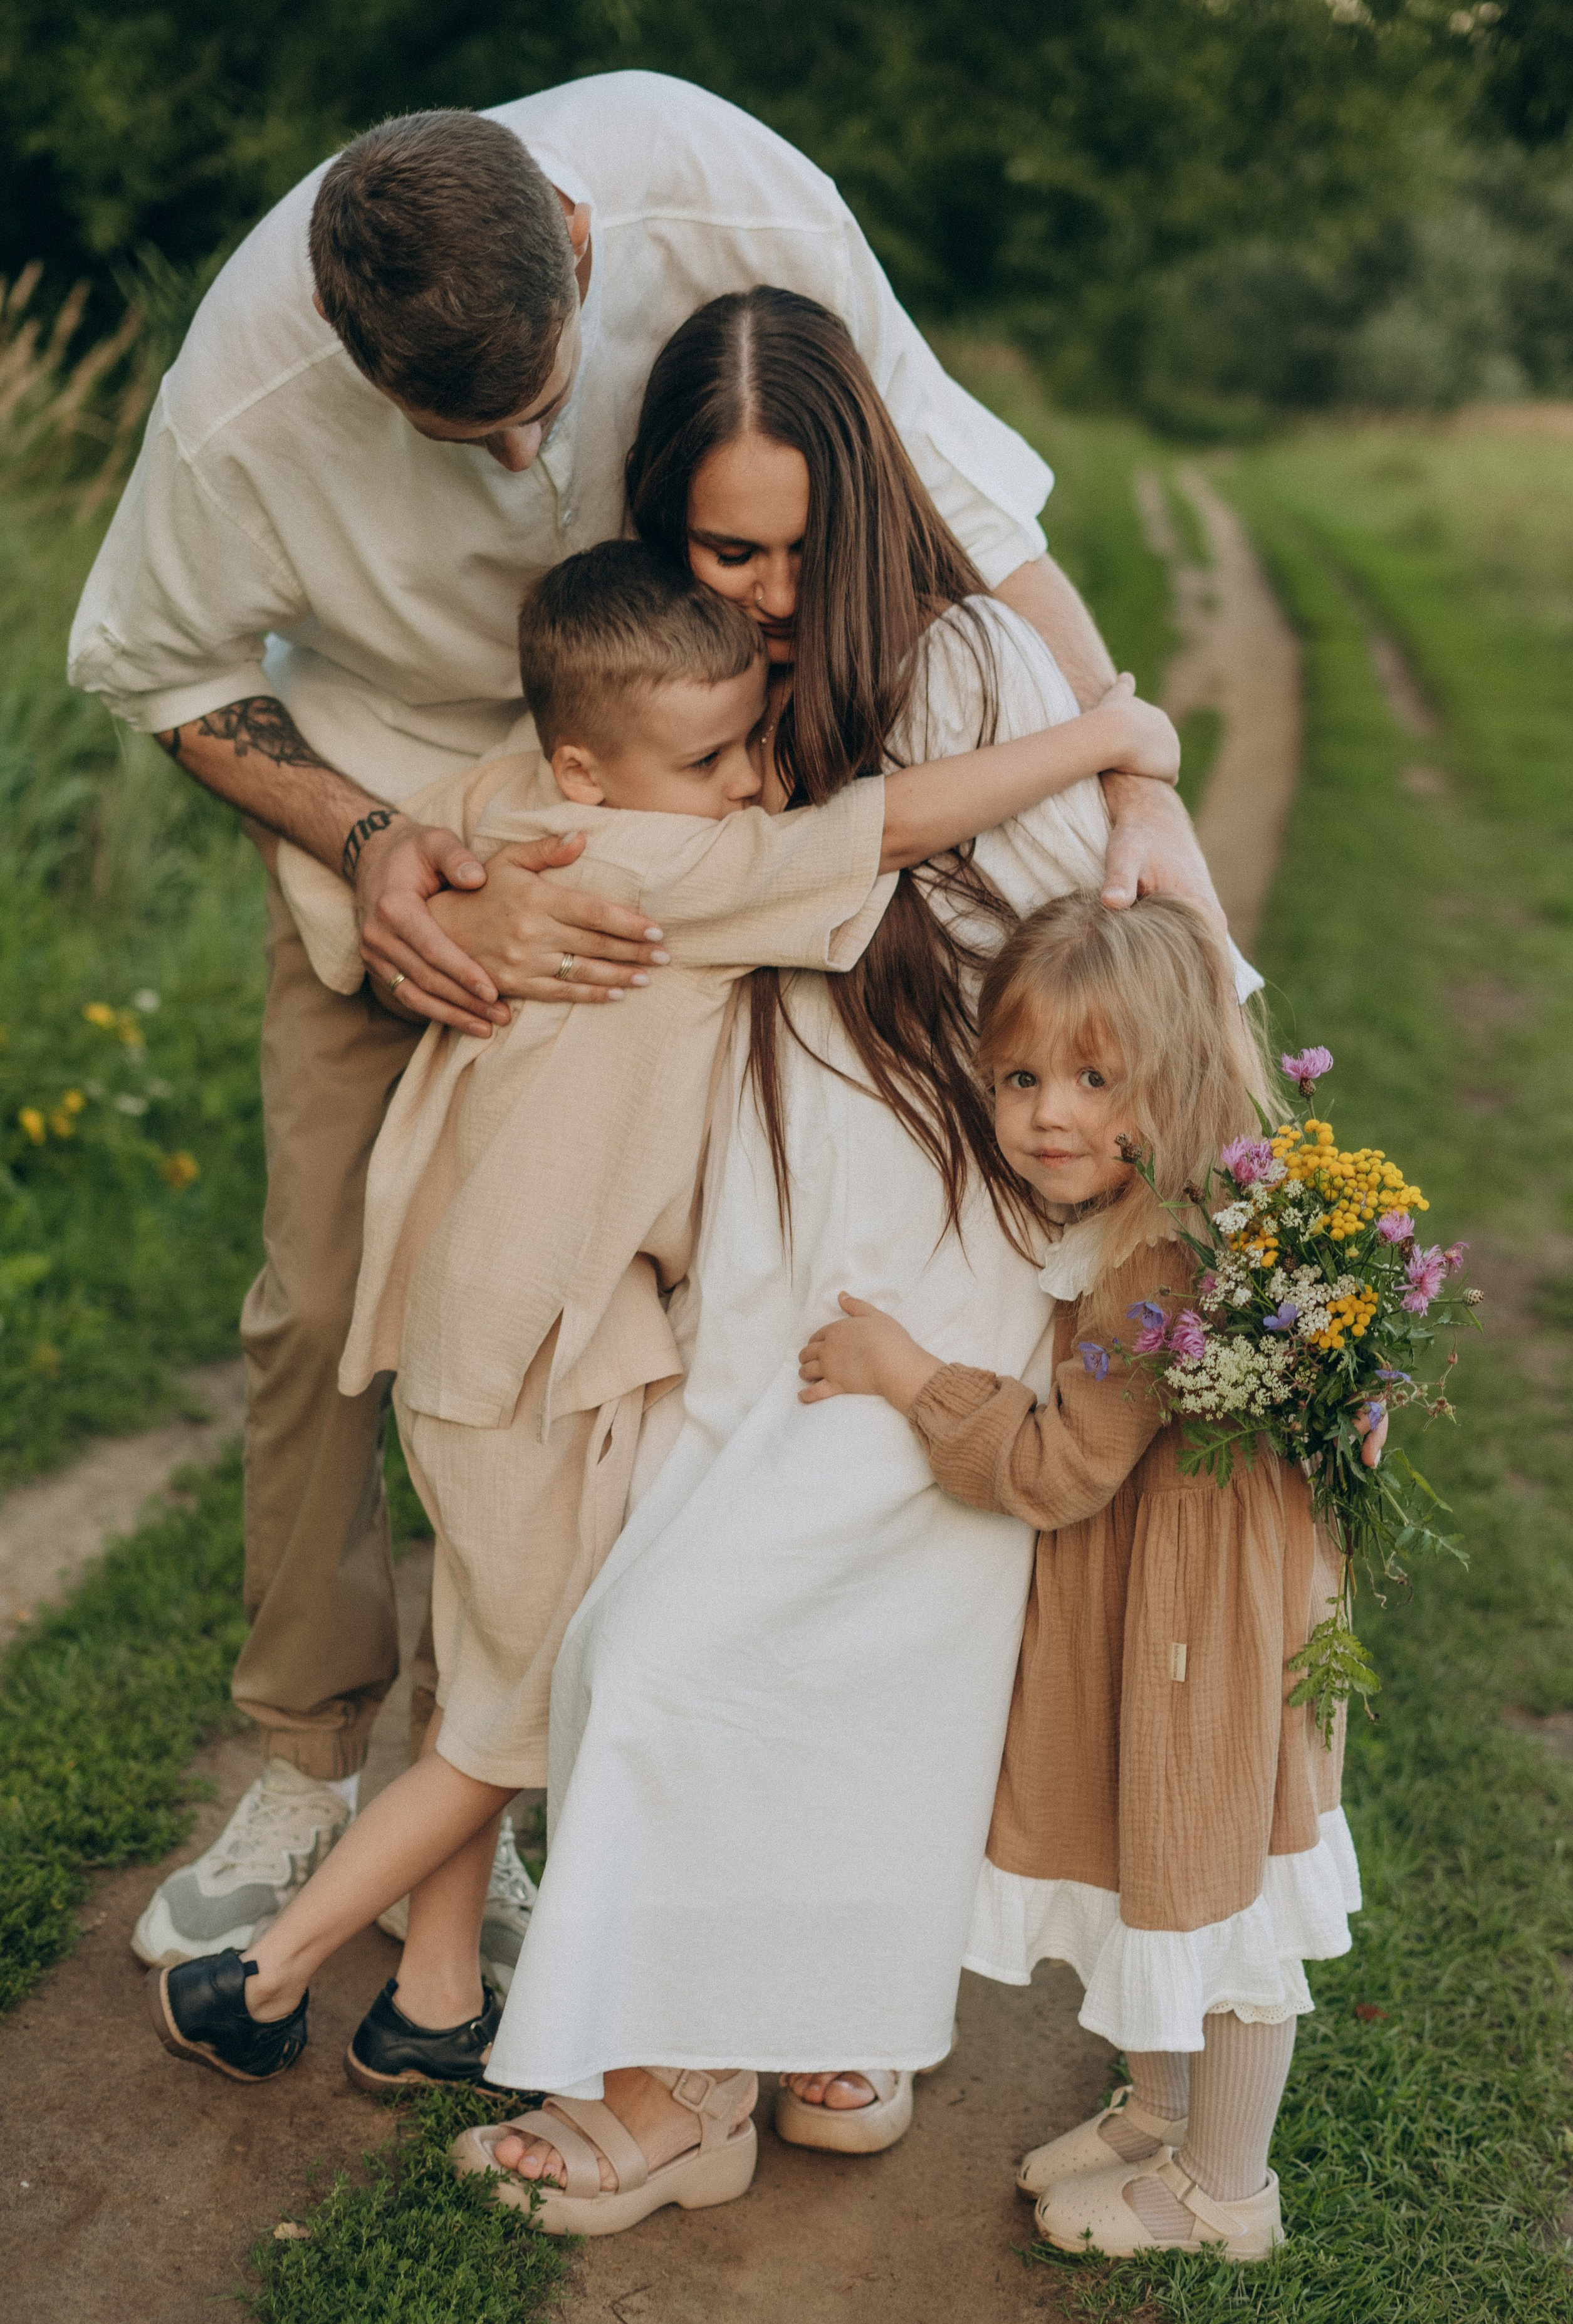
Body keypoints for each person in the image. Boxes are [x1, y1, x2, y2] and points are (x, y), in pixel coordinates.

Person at [70, 77, 1212, 1975]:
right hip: (420, 842)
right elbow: (166, 669)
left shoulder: (732, 195)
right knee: (323, 1304)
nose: (524, 464)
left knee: (653, 1320)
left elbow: (962, 492)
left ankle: (536, 1763)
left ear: (584, 249)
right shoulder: (241, 407)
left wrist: (1133, 784)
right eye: (466, 437)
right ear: (356, 364)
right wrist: (386, 850)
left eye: (541, 408)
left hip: (717, 791)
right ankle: (302, 1760)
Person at [146, 544, 1182, 2100]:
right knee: (522, 1718)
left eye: (751, 740)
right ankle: (263, 1971)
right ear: (592, 766)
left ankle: (431, 1999)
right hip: (519, 1361)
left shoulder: (506, 814)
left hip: (505, 1337)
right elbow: (890, 824)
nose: (750, 782)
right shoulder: (651, 866)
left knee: (500, 1667)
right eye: (709, 759)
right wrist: (1113, 740)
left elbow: (372, 866)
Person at [448, 288, 1253, 2225]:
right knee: (696, 1610)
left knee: (838, 1632)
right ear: (665, 520)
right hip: (760, 1202)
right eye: (732, 542)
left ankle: (771, 2036)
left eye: (810, 542)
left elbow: (1140, 951)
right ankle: (708, 2061)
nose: (779, 583)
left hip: (947, 1226)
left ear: (876, 503)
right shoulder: (668, 668)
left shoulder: (973, 661)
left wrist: (1260, 1219)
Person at [795, 891, 1367, 2261]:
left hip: (1199, 1624)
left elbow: (1060, 1470)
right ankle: (1155, 2113)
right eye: (1020, 1078)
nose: (1049, 1114)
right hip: (1194, 1599)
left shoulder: (1152, 1263)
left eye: (1094, 1080)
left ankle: (1224, 2188)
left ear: (1168, 1079)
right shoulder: (1207, 1207)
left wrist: (912, 1379)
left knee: (1217, 1882)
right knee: (1161, 1855)